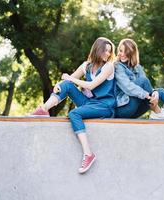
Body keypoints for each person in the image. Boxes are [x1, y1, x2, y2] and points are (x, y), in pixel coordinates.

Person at [31, 37, 116, 174]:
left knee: (73, 113)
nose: (107, 54)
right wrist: (59, 84)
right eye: (105, 50)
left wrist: (70, 78)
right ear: (97, 49)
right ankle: (44, 109)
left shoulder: (109, 67)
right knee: (66, 85)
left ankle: (88, 154)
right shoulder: (86, 66)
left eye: (109, 51)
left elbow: (91, 85)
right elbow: (67, 81)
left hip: (104, 106)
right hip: (89, 103)